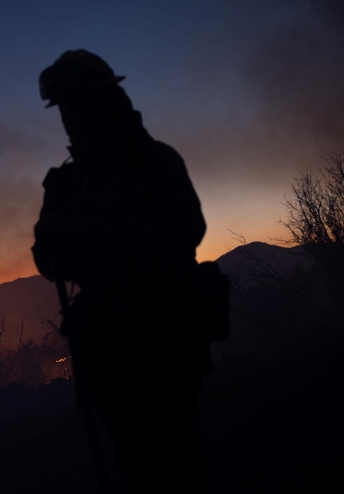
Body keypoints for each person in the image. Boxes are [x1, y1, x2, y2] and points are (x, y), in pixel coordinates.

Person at [32, 49, 212, 493]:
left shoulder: (154, 162)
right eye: (65, 110)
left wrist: (104, 237)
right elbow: (48, 263)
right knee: (133, 462)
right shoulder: (67, 183)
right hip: (108, 350)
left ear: (107, 101)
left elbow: (189, 227)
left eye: (79, 105)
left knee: (178, 460)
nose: (71, 118)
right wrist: (55, 240)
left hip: (163, 337)